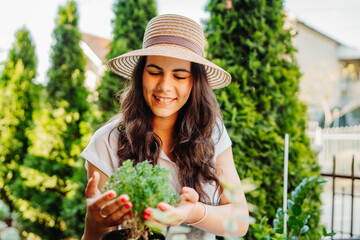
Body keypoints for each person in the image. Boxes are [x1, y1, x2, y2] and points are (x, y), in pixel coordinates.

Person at [81, 14, 249, 240]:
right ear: (140, 74)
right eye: (154, 72)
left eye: (179, 76)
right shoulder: (107, 142)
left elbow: (239, 222)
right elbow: (99, 234)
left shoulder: (212, 132)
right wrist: (94, 223)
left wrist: (192, 212)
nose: (164, 86)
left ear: (194, 82)